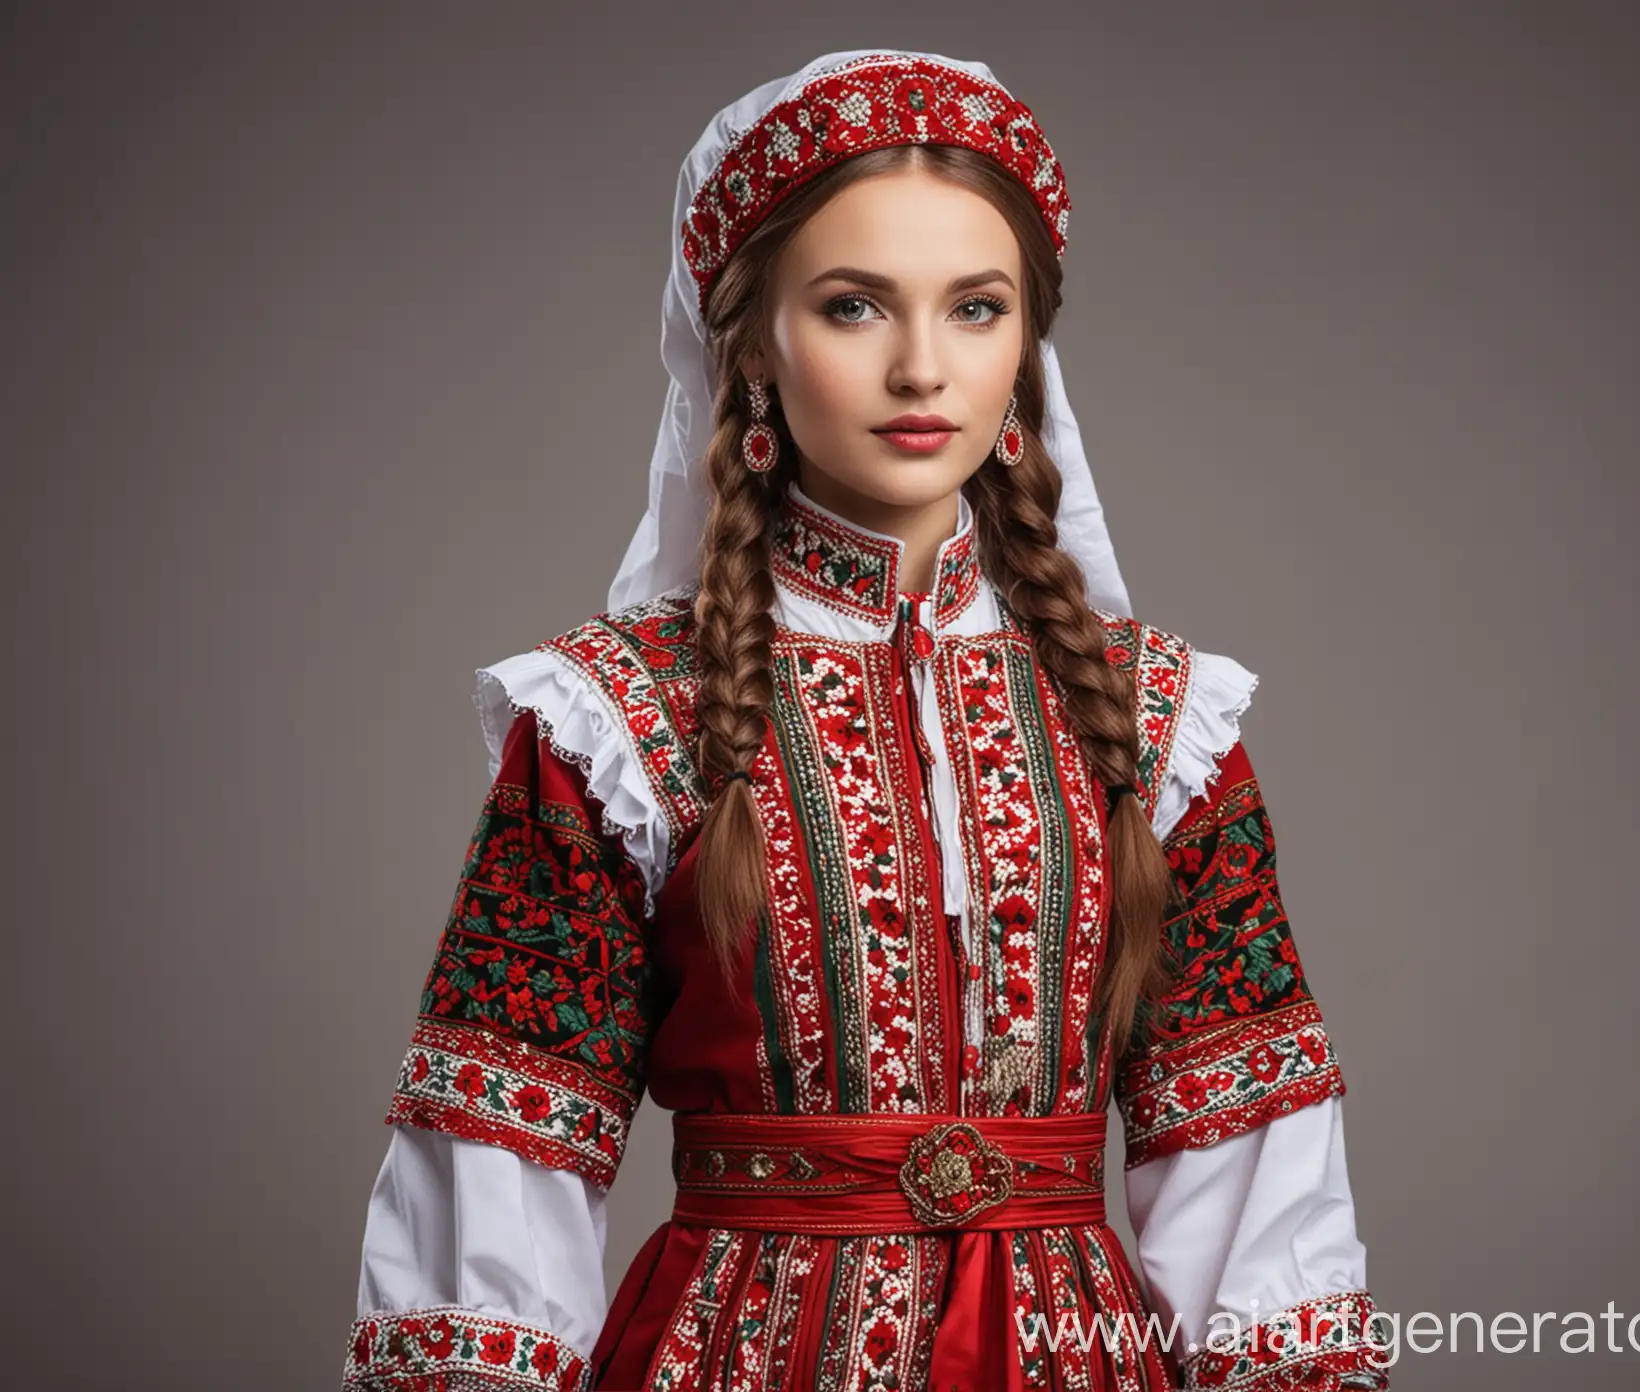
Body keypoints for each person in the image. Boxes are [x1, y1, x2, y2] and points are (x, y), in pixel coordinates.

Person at [342, 48, 1387, 1392]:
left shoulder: (1159, 722)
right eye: (851, 307)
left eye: (976, 308)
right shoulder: (620, 721)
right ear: (753, 346)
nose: (919, 366)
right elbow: (504, 1150)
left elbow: (1248, 1157)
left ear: (1026, 346)